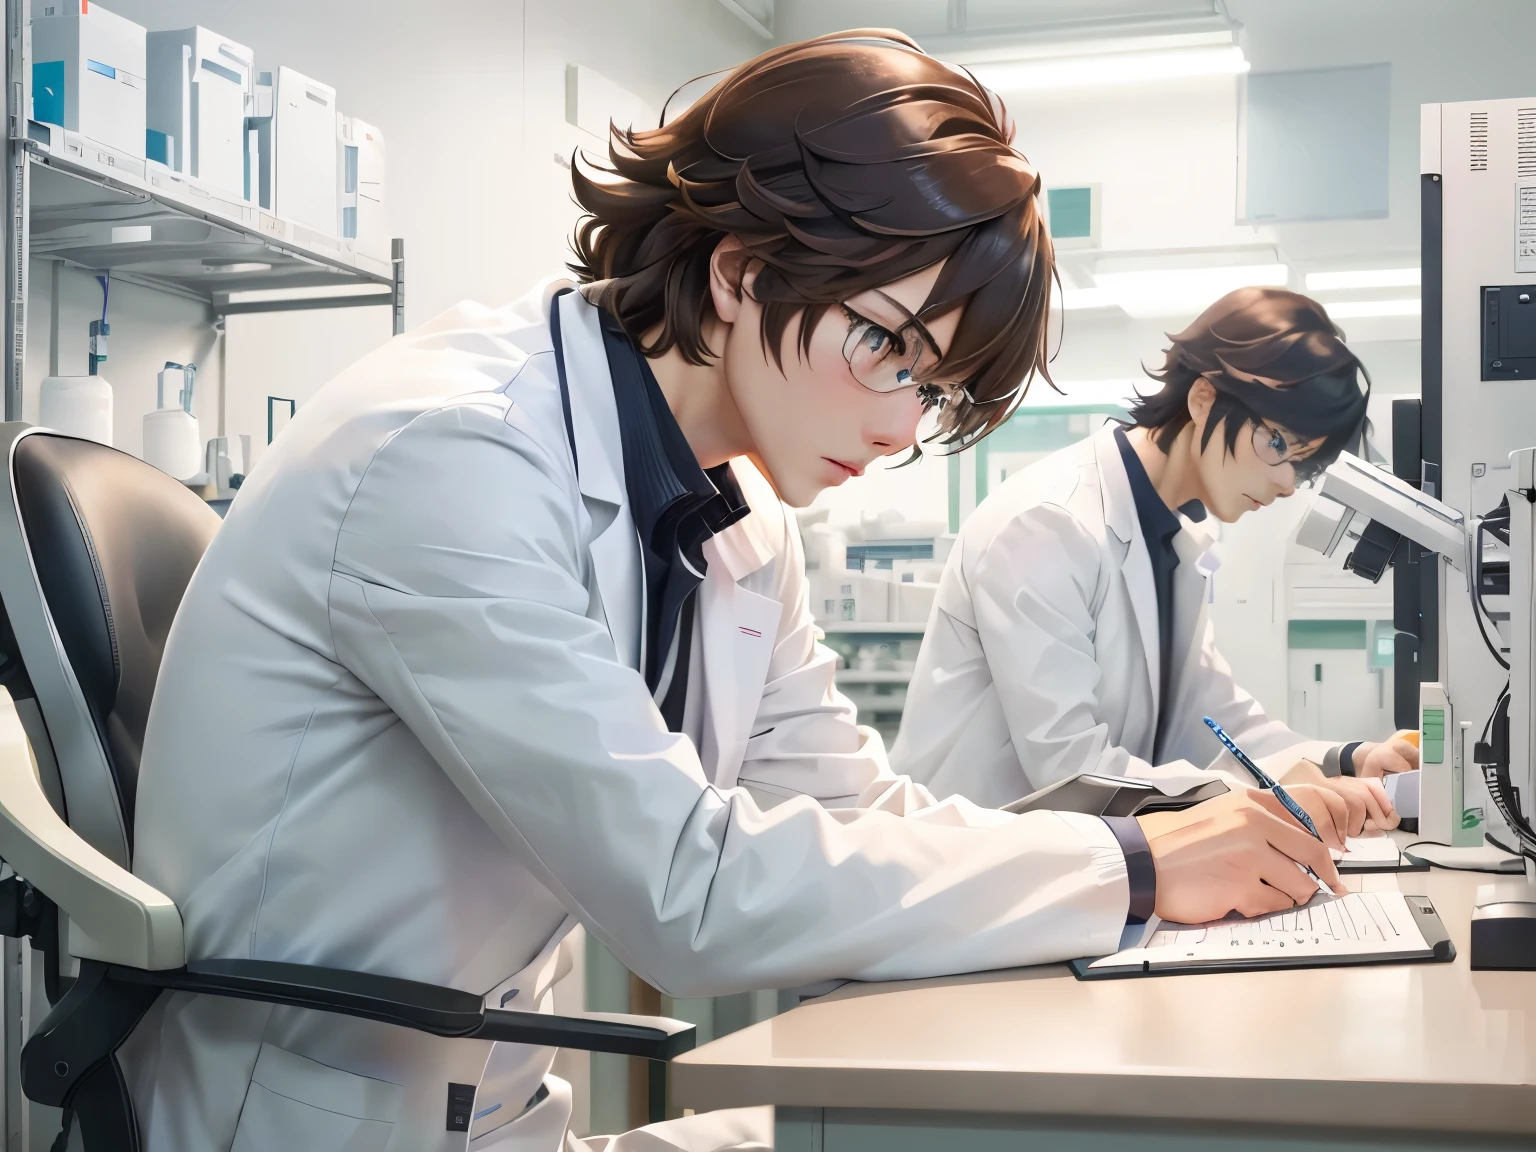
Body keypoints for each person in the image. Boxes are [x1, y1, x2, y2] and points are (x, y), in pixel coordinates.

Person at [122, 38, 1353, 1152]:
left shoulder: (736, 505)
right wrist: (1131, 869)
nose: (896, 420)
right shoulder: (447, 457)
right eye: (887, 347)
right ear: (736, 271)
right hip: (301, 1124)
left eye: (932, 394)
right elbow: (685, 895)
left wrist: (1152, 855)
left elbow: (855, 811)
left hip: (492, 1109)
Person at [892, 287, 1419, 822]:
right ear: (1204, 399)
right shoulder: (1049, 523)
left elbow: (1216, 721)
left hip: (1069, 854)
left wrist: (1345, 761)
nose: (1286, 483)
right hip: (972, 857)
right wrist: (1264, 799)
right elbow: (1071, 768)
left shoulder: (1175, 539)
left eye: (1303, 465)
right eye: (1278, 445)